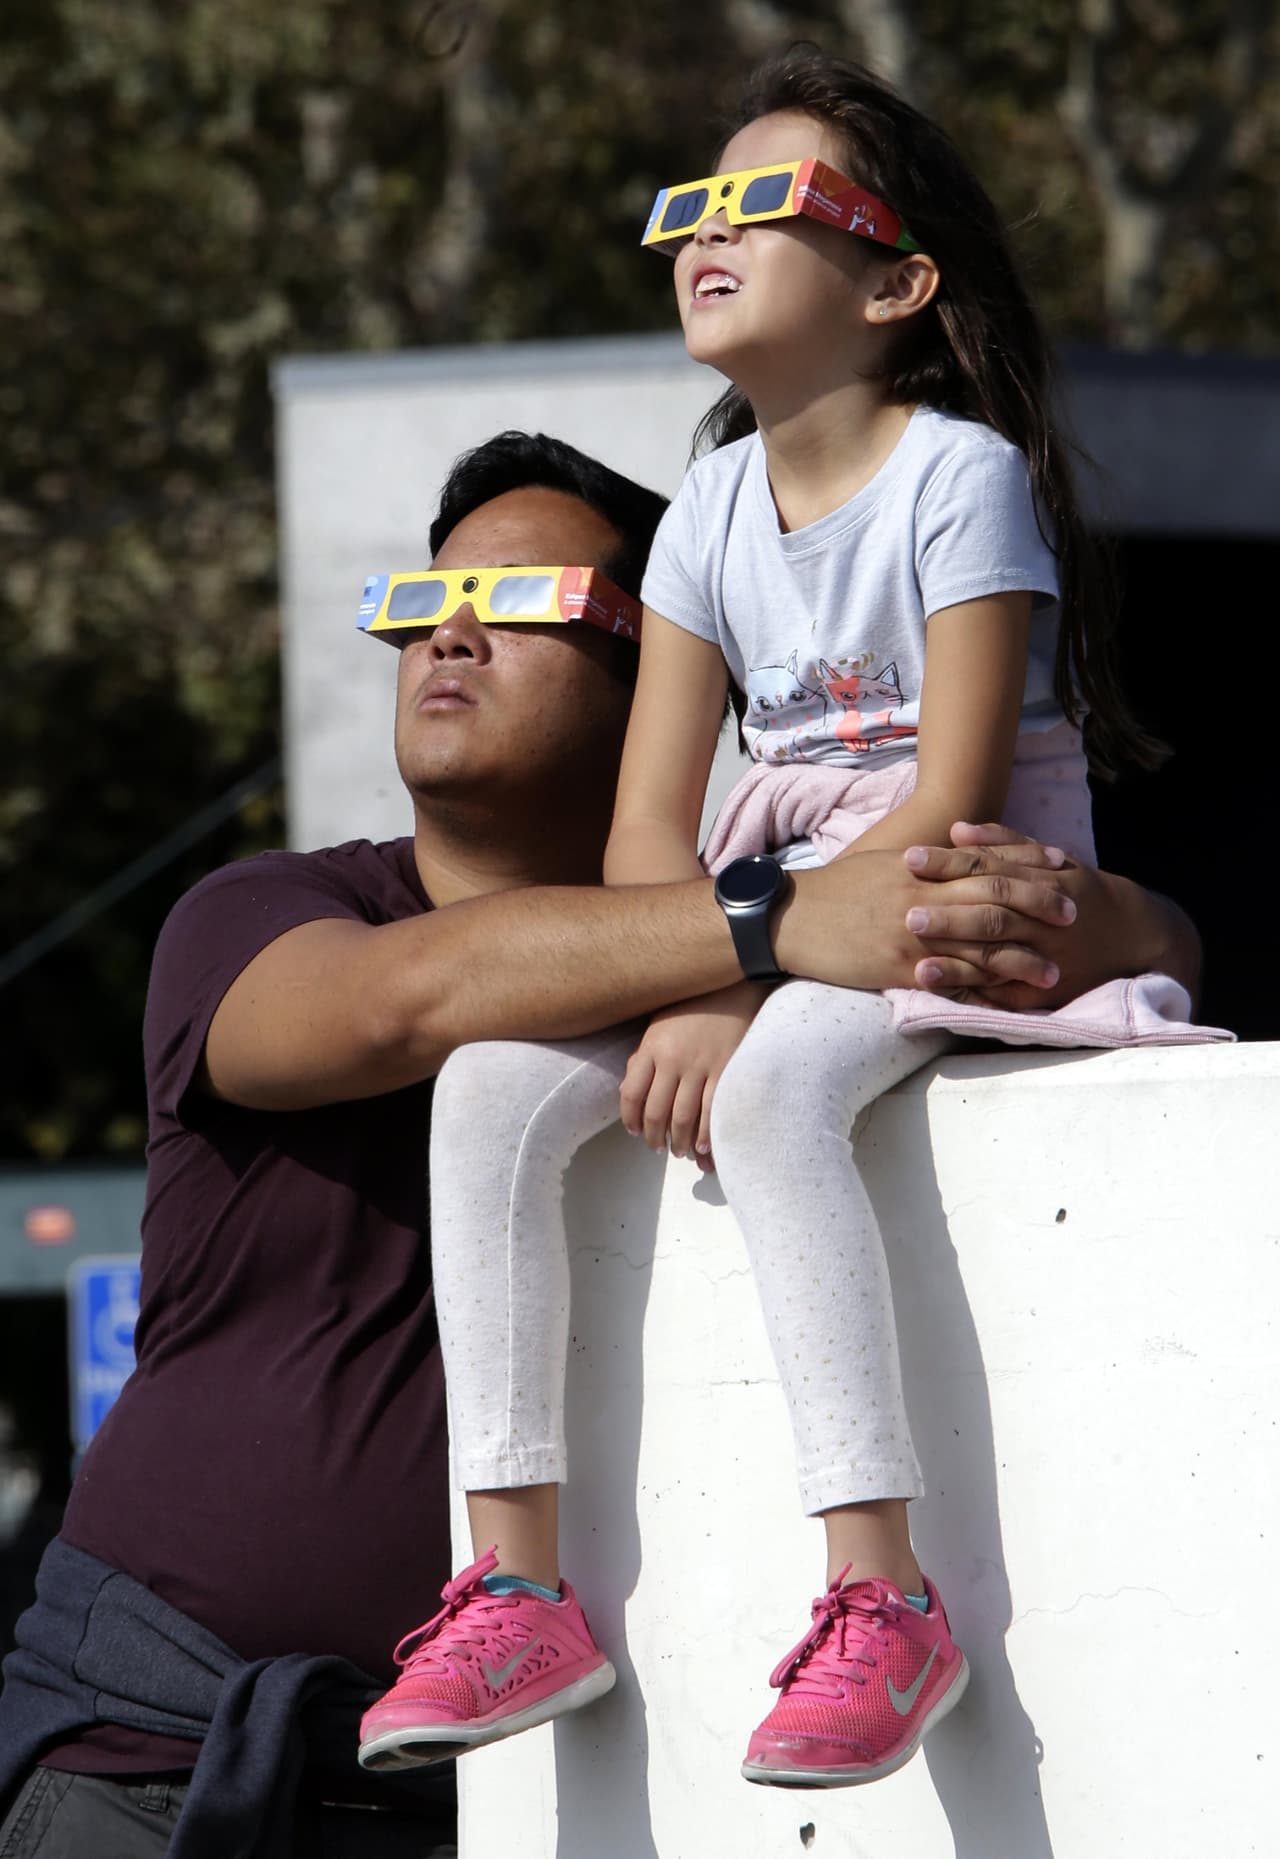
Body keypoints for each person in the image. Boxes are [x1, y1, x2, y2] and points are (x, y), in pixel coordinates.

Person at [0, 430, 1192, 1858]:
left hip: (538, 1801)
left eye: (520, 604)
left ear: (671, 674)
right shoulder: (262, 913)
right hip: (148, 1770)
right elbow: (405, 1004)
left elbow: (1137, 939)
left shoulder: (761, 983)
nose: (448, 630)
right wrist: (771, 919)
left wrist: (1125, 924)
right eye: (427, 599)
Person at [356, 53, 1221, 1798]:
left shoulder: (957, 476)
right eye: (695, 205)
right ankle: (516, 1581)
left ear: (899, 286)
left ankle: (879, 1590)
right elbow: (643, 834)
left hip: (943, 884)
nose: (709, 232)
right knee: (481, 1093)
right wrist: (718, 955)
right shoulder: (712, 522)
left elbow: (953, 788)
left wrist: (740, 993)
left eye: (771, 203)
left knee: (765, 1099)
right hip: (768, 896)